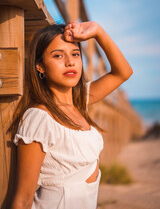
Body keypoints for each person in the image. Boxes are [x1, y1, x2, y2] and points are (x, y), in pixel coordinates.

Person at [10, 21, 133, 209]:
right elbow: (23, 199)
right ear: (40, 66)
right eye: (58, 55)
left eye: (75, 54)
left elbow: (123, 72)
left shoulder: (79, 101)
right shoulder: (38, 118)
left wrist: (98, 31)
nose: (70, 62)